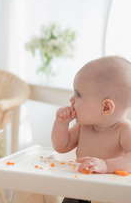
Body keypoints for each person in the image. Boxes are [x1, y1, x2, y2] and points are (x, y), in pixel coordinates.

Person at [51, 56, 131, 203]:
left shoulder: (124, 130)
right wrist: (61, 124)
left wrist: (107, 165)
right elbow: (61, 146)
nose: (72, 99)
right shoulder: (84, 126)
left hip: (107, 195)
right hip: (77, 190)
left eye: (79, 94)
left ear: (106, 107)